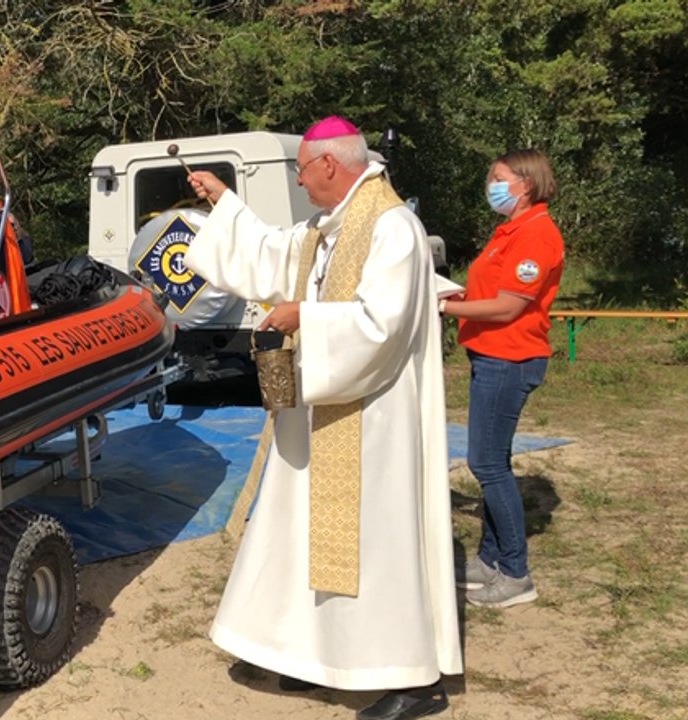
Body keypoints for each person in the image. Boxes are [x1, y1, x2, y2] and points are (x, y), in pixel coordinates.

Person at [183, 116, 461, 720]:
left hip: (373, 417)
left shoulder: (392, 229)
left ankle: (409, 676)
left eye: (303, 171)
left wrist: (304, 317)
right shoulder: (325, 228)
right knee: (304, 532)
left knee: (375, 540)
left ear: (330, 165)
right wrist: (225, 201)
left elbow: (380, 326)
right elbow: (271, 255)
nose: (301, 184)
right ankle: (314, 656)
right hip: (322, 408)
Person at [439, 149, 563, 609]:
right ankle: (489, 560)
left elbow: (510, 306)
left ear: (524, 183)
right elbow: (490, 292)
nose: (490, 185)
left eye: (497, 177)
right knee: (492, 460)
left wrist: (444, 308)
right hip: (491, 355)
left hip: (509, 358)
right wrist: (458, 294)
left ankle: (514, 572)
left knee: (487, 464)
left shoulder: (536, 235)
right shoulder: (509, 231)